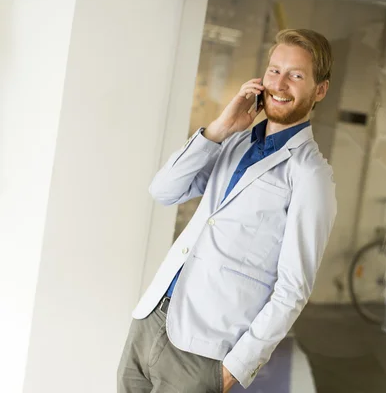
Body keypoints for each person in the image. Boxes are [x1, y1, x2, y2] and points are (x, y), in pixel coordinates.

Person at [117, 28, 337, 393]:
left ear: (320, 90)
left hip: (203, 350)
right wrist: (218, 129)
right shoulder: (233, 141)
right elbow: (164, 190)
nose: (279, 84)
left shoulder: (311, 175)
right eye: (274, 70)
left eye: (296, 75)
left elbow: (293, 288)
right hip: (150, 321)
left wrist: (236, 367)